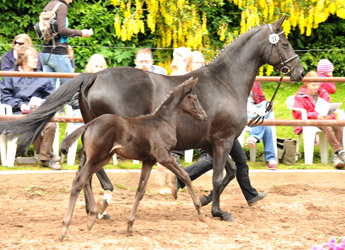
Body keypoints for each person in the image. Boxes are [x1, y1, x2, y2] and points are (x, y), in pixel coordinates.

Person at [0, 45, 61, 170]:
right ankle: (47, 157)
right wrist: (20, 105)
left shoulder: (43, 77)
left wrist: (40, 105)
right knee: (33, 125)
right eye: (33, 58)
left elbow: (50, 98)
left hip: (37, 113)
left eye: (36, 58)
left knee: (51, 125)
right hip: (17, 114)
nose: (36, 60)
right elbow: (4, 97)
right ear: (23, 60)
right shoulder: (10, 75)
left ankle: (45, 157)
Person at [171, 140, 268, 206]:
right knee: (212, 159)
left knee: (241, 160)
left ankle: (251, 195)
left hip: (231, 129)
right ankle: (181, 178)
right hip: (218, 129)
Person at [292, 70, 345, 169]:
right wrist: (316, 116)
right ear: (306, 84)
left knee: (339, 125)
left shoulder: (323, 93)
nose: (316, 87)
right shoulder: (299, 96)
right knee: (327, 127)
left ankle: (337, 156)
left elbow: (329, 107)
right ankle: (339, 152)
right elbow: (298, 113)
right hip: (310, 121)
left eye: (318, 84)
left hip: (324, 118)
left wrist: (330, 116)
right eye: (313, 85)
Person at [40, 0, 92, 89]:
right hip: (58, 54)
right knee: (71, 87)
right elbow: (61, 30)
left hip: (45, 53)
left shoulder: (49, 5)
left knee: (50, 91)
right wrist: (81, 33)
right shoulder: (62, 6)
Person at [246, 81, 278, 170]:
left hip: (257, 111)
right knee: (266, 123)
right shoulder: (231, 78)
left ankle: (253, 137)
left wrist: (268, 106)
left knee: (267, 105)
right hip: (241, 112)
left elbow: (262, 100)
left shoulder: (254, 81)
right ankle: (270, 158)